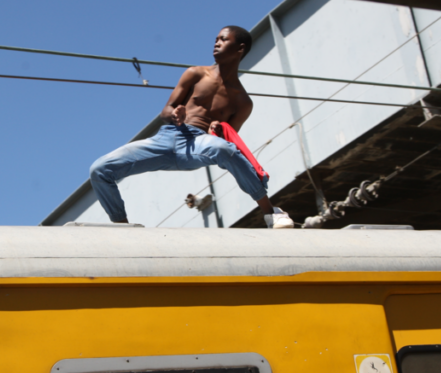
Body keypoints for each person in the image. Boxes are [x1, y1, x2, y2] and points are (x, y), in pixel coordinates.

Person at [89, 26, 295, 229]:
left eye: (223, 40)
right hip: (167, 138)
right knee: (100, 169)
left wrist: (219, 130)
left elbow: (228, 143)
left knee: (224, 149)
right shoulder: (195, 74)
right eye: (216, 39)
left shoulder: (243, 102)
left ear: (240, 48)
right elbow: (165, 111)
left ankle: (271, 213)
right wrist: (175, 114)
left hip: (197, 146)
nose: (216, 43)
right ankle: (122, 226)